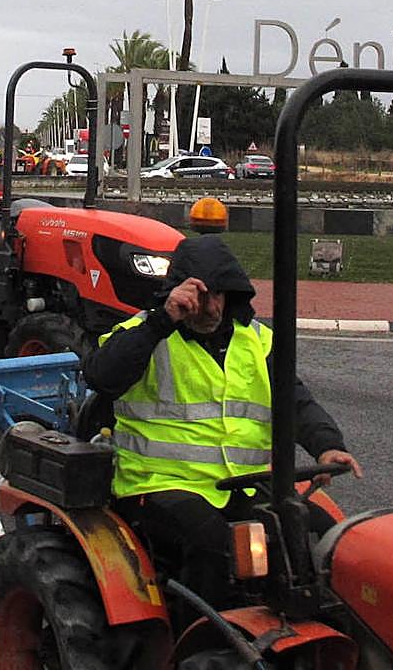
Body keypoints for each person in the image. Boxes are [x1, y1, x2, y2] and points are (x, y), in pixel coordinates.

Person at [83, 234, 362, 611]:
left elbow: (296, 403)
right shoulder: (144, 333)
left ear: (232, 294)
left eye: (217, 295)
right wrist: (163, 319)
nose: (208, 307)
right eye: (199, 295)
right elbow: (101, 376)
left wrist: (330, 445)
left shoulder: (258, 341)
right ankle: (197, 644)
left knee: (318, 534)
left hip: (243, 487)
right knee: (211, 544)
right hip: (159, 484)